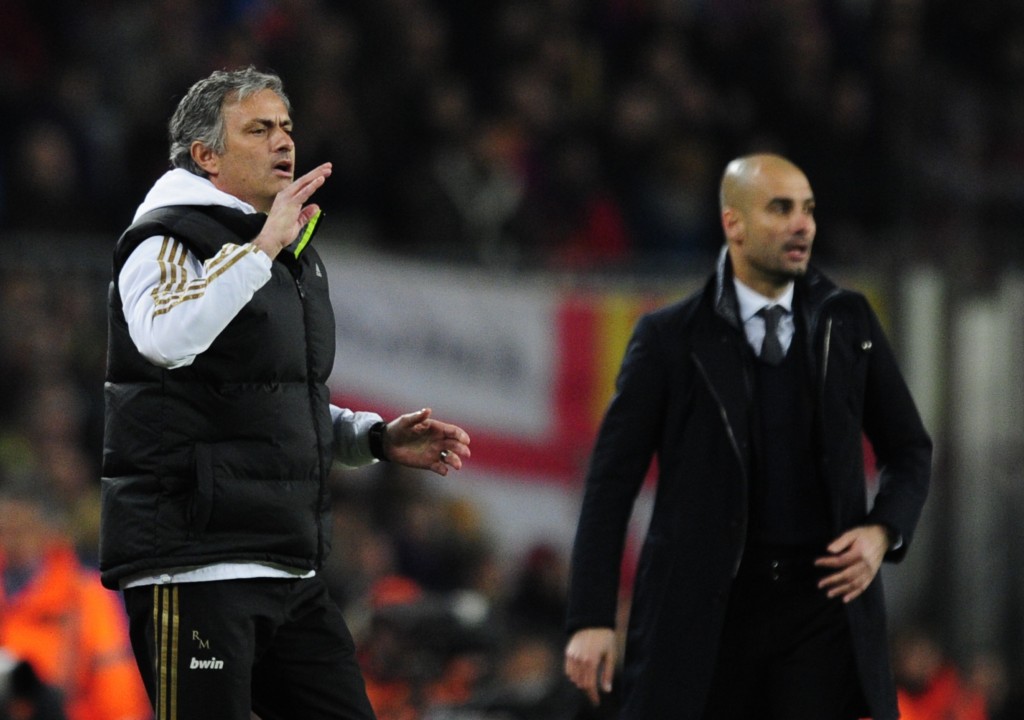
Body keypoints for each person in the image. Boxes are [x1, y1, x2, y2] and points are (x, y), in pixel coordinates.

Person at [100, 66, 471, 720]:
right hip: (193, 568)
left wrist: (373, 438)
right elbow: (163, 337)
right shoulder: (164, 238)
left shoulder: (284, 253)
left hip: (289, 569)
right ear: (205, 155)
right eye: (259, 129)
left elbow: (271, 404)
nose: (283, 142)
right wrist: (263, 245)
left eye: (287, 127)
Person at [563, 153, 932, 719]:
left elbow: (909, 449)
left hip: (820, 612)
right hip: (705, 615)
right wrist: (590, 618)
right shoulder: (669, 340)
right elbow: (611, 483)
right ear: (732, 223)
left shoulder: (847, 321)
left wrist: (883, 531)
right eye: (780, 208)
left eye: (808, 209)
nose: (802, 224)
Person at [0, 479, 151, 720]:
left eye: (24, 529)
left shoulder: (85, 596)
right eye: (7, 529)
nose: (14, 540)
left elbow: (116, 686)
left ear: (48, 532)